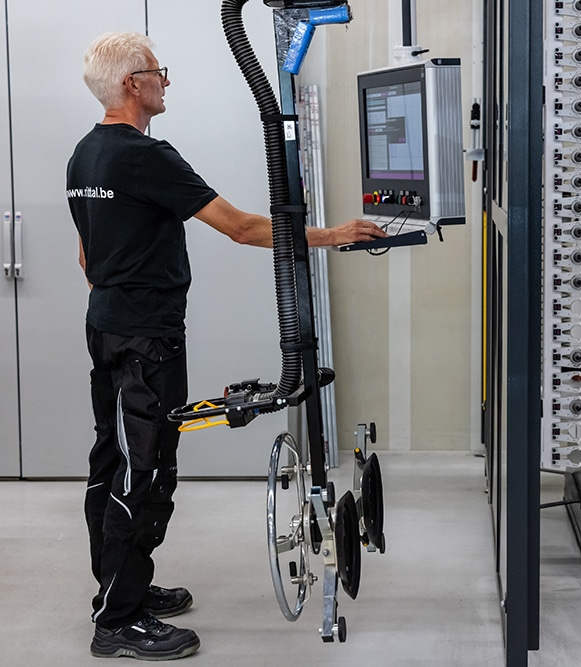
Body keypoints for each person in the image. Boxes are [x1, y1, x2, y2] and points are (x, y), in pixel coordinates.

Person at [67, 32, 386, 661]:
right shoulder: (145, 156)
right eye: (160, 72)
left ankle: (120, 586)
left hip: (106, 326)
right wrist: (336, 234)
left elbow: (86, 253)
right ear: (133, 83)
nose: (166, 81)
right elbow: (241, 228)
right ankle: (119, 621)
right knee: (145, 470)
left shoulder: (86, 154)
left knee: (113, 461)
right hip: (146, 341)